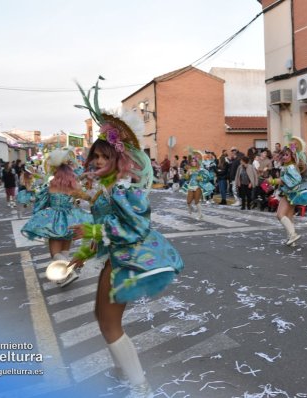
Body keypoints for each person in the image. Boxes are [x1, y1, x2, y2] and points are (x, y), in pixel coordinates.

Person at [69, 81, 184, 397]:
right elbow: (105, 228)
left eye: (102, 158)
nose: (95, 163)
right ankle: (125, 370)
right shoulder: (107, 189)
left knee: (108, 324)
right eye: (93, 157)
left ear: (117, 160)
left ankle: (139, 386)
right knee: (103, 318)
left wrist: (94, 232)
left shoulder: (122, 188)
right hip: (115, 257)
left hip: (127, 256)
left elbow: (135, 227)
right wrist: (80, 256)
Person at [22, 149, 93, 287]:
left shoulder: (51, 185)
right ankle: (64, 275)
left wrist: (38, 215)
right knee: (65, 250)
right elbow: (88, 198)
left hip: (54, 220)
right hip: (71, 220)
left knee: (55, 253)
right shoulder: (74, 186)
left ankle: (69, 273)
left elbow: (40, 203)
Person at [268, 138, 307, 246]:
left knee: (280, 215)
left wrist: (274, 181)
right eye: (283, 155)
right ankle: (291, 239)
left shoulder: (290, 166)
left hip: (290, 193)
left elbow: (294, 180)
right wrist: (292, 146)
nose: (284, 157)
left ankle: (293, 235)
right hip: (290, 193)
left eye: (287, 155)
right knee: (289, 216)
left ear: (291, 156)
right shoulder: (289, 165)